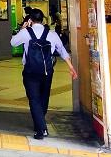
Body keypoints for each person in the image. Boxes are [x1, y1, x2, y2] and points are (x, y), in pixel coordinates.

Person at [10, 8, 78, 139]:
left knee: (34, 99)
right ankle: (40, 124)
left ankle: (41, 129)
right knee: (44, 97)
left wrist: (22, 28)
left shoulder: (25, 32)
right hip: (47, 71)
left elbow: (13, 43)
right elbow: (62, 51)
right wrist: (71, 67)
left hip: (30, 72)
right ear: (42, 20)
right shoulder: (52, 34)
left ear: (30, 20)